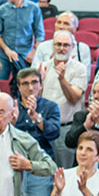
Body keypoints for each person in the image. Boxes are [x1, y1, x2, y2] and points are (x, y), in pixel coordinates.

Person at [14, 68, 63, 196]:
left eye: (34, 82)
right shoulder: (10, 106)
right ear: (19, 86)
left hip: (39, 168)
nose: (30, 87)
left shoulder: (50, 107)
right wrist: (11, 123)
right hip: (14, 167)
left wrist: (36, 117)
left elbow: (54, 133)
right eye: (25, 83)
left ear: (41, 85)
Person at [37, 32, 89, 164]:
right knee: (43, 171)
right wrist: (39, 83)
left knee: (64, 172)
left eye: (66, 45)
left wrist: (62, 79)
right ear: (53, 47)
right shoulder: (43, 66)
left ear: (72, 47)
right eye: (58, 44)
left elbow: (74, 98)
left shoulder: (79, 69)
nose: (61, 48)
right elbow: (36, 98)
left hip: (65, 129)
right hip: (44, 127)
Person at [0, 0, 44, 79]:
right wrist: (7, 50)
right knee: (0, 83)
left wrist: (34, 52)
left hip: (24, 54)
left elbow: (40, 34)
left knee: (23, 85)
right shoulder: (2, 9)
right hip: (4, 54)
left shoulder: (34, 9)